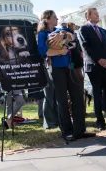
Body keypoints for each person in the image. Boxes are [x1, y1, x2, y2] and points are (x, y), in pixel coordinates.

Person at [37, 10, 95, 141]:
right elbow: (42, 51)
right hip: (56, 70)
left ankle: (80, 130)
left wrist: (65, 34)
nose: (57, 18)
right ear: (47, 19)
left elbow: (73, 40)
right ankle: (67, 131)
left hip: (69, 67)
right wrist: (60, 51)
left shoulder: (59, 31)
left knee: (78, 97)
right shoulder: (42, 34)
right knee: (62, 101)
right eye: (54, 17)